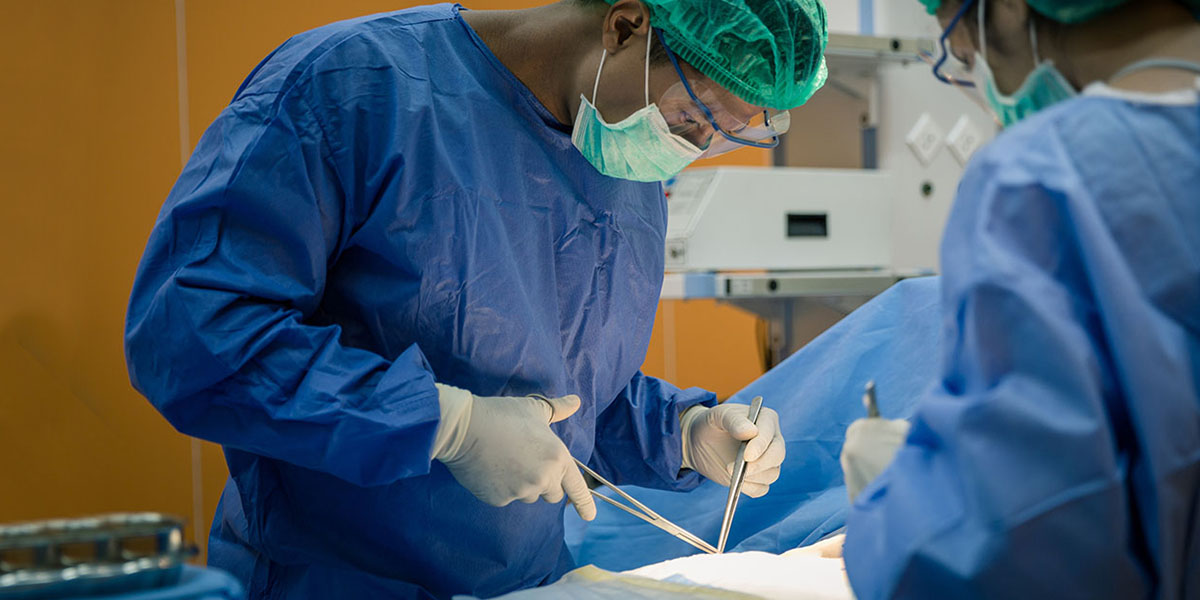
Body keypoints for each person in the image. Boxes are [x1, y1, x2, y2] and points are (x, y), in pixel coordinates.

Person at [124, 0, 827, 598]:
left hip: (522, 582)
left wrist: (684, 433)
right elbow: (193, 333)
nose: (689, 149)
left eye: (723, 139)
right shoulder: (352, 89)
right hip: (328, 577)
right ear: (624, 27)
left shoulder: (627, 165)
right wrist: (445, 424)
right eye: (693, 116)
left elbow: (567, 394)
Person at [838, 0, 1200, 597]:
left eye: (959, 37)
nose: (971, 66)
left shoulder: (1043, 179)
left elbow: (1009, 557)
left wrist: (901, 505)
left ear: (1005, 7)